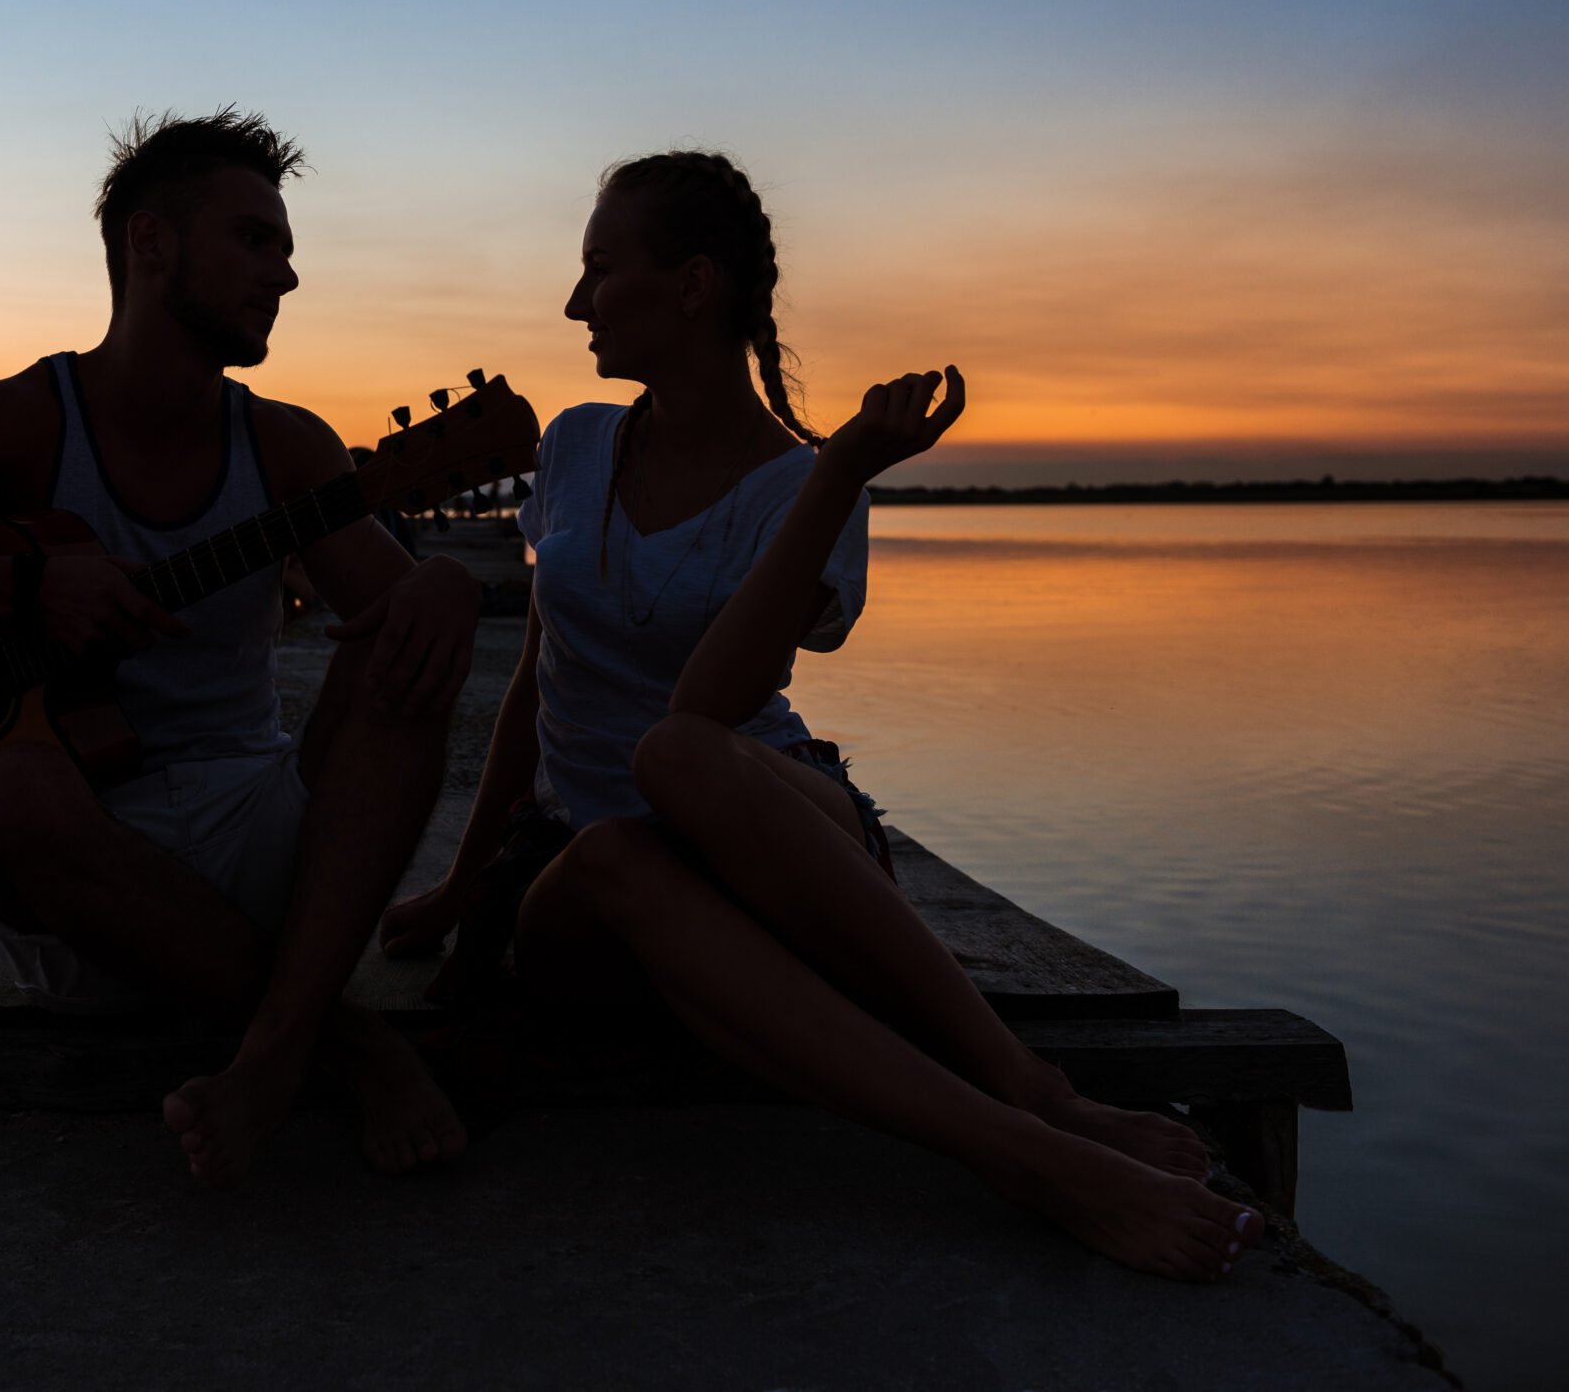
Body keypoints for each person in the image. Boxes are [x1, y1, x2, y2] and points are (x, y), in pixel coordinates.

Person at [381, 151, 1262, 1280]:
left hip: (766, 834)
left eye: (599, 268)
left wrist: (839, 469)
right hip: (587, 873)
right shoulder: (575, 444)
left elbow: (709, 709)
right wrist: (464, 880)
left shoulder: (803, 486)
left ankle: (1030, 1086)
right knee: (618, 847)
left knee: (678, 753)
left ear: (691, 284)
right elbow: (536, 678)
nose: (573, 301)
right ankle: (1022, 1149)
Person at [0, 110, 476, 1188]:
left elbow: (397, 627)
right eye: (254, 240)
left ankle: (274, 1052)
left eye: (285, 248)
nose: (285, 276)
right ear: (151, 245)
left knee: (402, 658)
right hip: (77, 891)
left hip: (257, 839)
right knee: (4, 797)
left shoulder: (285, 444)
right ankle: (343, 1044)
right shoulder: (12, 426)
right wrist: (24, 584)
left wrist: (450, 583)